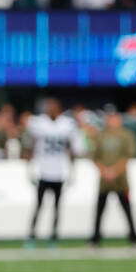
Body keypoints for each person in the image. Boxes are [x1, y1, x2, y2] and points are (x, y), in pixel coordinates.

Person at [25, 97, 84, 244]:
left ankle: (54, 235)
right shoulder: (38, 123)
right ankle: (32, 235)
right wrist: (30, 165)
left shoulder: (67, 124)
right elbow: (29, 143)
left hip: (60, 170)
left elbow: (77, 147)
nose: (50, 109)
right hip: (42, 170)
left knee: (57, 207)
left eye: (53, 106)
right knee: (39, 205)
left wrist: (72, 166)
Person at [91, 111, 136, 246]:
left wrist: (115, 171)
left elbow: (128, 156)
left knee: (126, 208)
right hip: (104, 180)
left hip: (121, 179)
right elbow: (95, 157)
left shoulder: (126, 135)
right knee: (100, 209)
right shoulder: (100, 135)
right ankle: (95, 237)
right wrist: (104, 171)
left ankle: (133, 236)